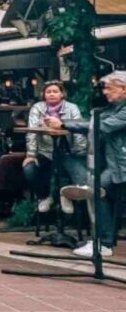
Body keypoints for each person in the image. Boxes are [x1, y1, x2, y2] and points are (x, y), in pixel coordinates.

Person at [49, 71, 126, 258]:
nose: (105, 92)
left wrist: (64, 125)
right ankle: (101, 241)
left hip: (122, 164)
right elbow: (93, 120)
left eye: (109, 88)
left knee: (96, 191)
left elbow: (100, 125)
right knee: (94, 189)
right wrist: (64, 124)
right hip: (113, 163)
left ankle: (104, 243)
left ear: (124, 89)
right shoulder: (114, 107)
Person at [24, 81, 87, 215]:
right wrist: (31, 155)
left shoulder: (72, 107)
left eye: (55, 91)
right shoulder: (37, 108)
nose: (52, 94)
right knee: (29, 169)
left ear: (62, 94)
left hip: (68, 151)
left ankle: (66, 194)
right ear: (44, 95)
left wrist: (79, 151)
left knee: (82, 179)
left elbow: (78, 129)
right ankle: (45, 196)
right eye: (48, 92)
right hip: (45, 152)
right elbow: (32, 132)